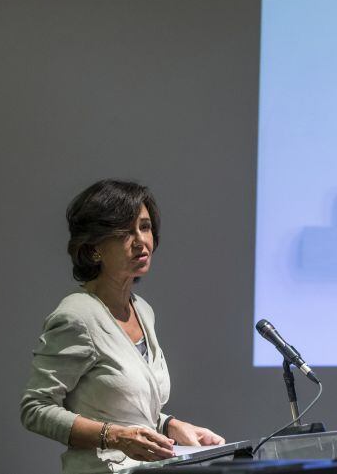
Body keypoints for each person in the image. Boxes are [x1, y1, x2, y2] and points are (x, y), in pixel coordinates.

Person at [20, 179, 225, 473]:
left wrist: (170, 425)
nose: (141, 240)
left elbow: (127, 408)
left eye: (144, 226)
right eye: (124, 232)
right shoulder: (76, 316)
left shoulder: (143, 310)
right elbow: (35, 409)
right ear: (94, 249)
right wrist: (114, 437)